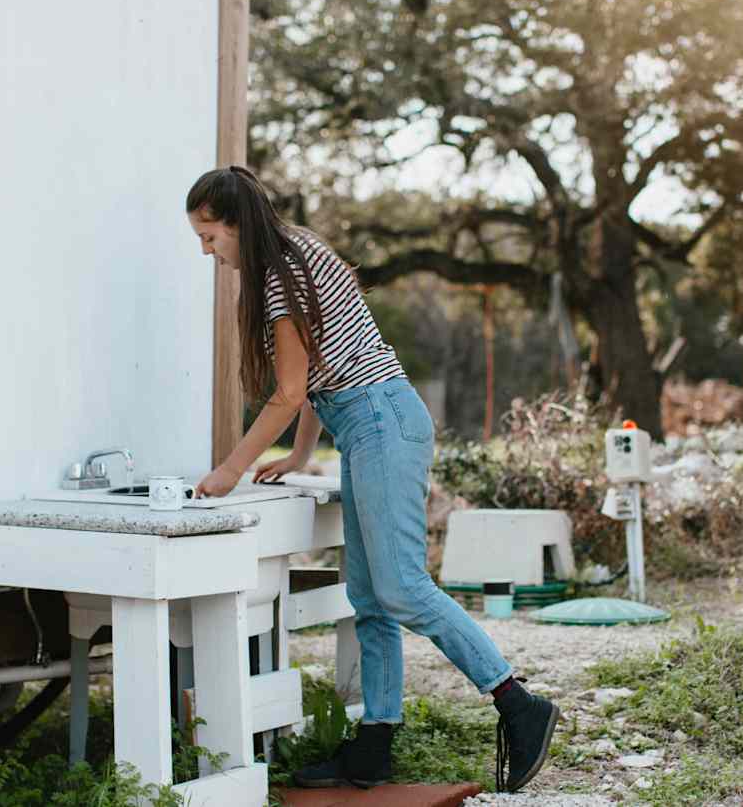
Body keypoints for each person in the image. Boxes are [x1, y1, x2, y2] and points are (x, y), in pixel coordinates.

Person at [187, 166, 559, 792]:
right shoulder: (298, 250)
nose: (207, 251)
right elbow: (317, 379)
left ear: (235, 225)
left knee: (403, 587)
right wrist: (302, 455)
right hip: (367, 422)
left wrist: (231, 468)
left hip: (380, 421)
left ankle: (518, 704)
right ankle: (375, 745)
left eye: (209, 237)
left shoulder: (281, 279)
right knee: (370, 596)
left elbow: (287, 391)